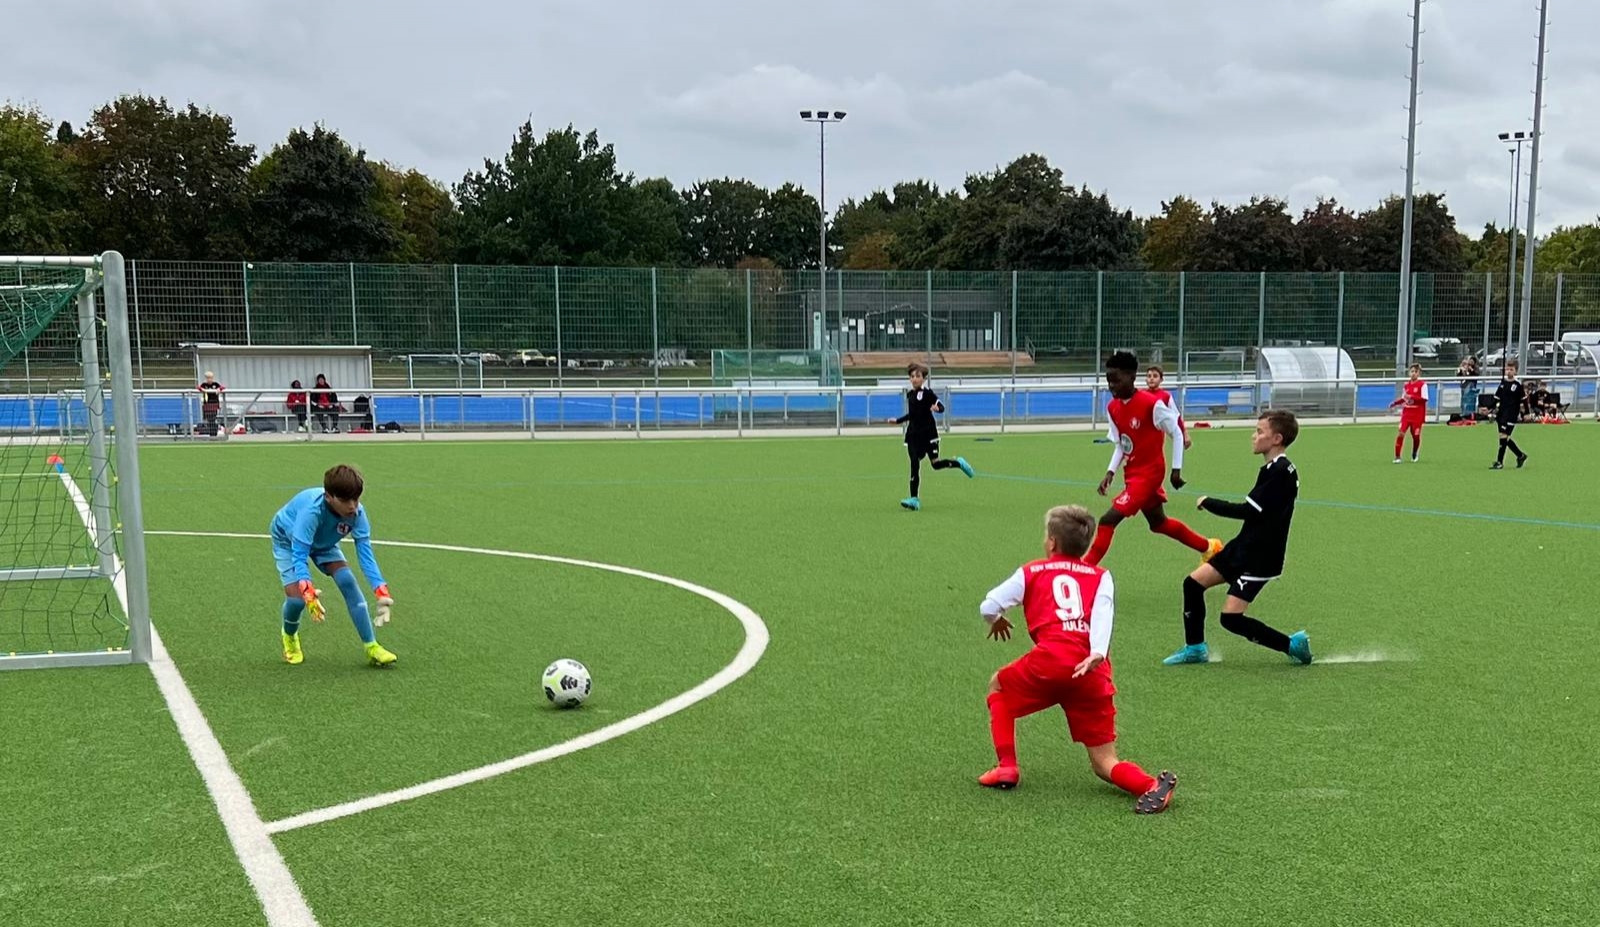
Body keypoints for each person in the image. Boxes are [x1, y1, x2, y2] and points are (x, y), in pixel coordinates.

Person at [975, 504, 1177, 814]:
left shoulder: (1032, 571)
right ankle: (1149, 785)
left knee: (998, 686)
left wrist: (996, 620)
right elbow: (1104, 611)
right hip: (1091, 672)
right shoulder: (1101, 575)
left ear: (1052, 542)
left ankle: (1007, 767)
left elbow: (988, 606)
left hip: (1048, 663)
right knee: (1104, 763)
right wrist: (1097, 652)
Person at [1162, 410, 1309, 666]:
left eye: (1259, 432)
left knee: (1230, 619)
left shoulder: (1281, 472)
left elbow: (1248, 511)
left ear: (1277, 439)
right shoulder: (1273, 468)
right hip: (1244, 547)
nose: (1254, 436)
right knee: (1192, 584)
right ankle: (1195, 649)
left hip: (1262, 557)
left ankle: (1291, 645)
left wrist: (1208, 502)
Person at [1086, 351, 1219, 566]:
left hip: (1150, 474)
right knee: (1159, 524)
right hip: (1133, 473)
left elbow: (1176, 432)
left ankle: (1083, 570)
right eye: (1109, 381)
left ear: (1131, 377)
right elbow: (1121, 444)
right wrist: (1110, 472)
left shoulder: (1152, 404)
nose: (1112, 386)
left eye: (1116, 380)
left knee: (1108, 520)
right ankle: (1210, 547)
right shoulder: (1113, 408)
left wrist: (1176, 470)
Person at [269, 464, 396, 667]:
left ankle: (372, 646)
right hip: (288, 540)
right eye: (345, 500)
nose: (353, 506)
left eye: (356, 499)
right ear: (329, 497)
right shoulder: (312, 512)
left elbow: (365, 554)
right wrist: (307, 590)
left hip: (324, 542)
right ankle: (290, 637)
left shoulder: (357, 514)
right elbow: (300, 555)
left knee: (347, 580)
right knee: (297, 601)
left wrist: (381, 591)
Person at [884, 362, 973, 510]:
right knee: (914, 463)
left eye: (918, 376)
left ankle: (959, 463)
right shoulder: (910, 395)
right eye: (912, 376)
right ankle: (914, 499)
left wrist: (937, 409)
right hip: (913, 435)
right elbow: (913, 415)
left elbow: (941, 406)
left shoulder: (928, 393)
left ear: (924, 378)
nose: (914, 379)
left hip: (929, 435)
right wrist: (897, 421)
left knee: (936, 464)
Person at [1144, 365, 1191, 450]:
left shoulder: (1165, 396)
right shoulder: (1141, 395)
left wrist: (1185, 434)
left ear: (1161, 380)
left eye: (1155, 376)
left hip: (1157, 434)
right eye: (1149, 376)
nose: (1151, 378)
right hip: (1143, 433)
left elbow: (1176, 416)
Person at [1491, 361, 1528, 470]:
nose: (1509, 371)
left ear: (1516, 371)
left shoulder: (1518, 386)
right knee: (1504, 438)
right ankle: (1520, 455)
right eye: (1507, 369)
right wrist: (1489, 409)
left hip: (1511, 415)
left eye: (1511, 369)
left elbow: (1524, 400)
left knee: (1503, 437)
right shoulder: (1503, 383)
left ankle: (1499, 462)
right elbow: (1496, 398)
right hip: (1501, 414)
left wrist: (1526, 413)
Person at [1389, 363, 1428, 463]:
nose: (1413, 373)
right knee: (1401, 433)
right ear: (1409, 373)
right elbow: (1404, 398)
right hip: (1406, 414)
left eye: (1416, 371)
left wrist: (1413, 397)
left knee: (1415, 435)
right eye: (1412, 371)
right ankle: (1397, 457)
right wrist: (1395, 403)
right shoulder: (1406, 385)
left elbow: (1424, 399)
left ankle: (1414, 453)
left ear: (1419, 373)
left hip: (1417, 415)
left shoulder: (1422, 385)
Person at [197, 371, 225, 436]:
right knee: (209, 420)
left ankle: (214, 434)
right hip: (207, 405)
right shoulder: (204, 385)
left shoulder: (215, 384)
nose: (209, 379)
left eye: (210, 378)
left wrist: (219, 389)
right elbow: (198, 387)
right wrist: (202, 389)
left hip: (214, 405)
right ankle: (211, 434)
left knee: (213, 419)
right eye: (208, 378)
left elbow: (222, 387)